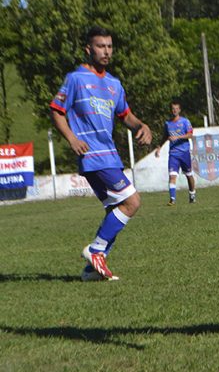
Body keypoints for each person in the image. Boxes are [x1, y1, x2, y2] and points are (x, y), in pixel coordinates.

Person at [50, 25, 152, 281]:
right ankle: (95, 250)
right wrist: (72, 138)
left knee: (114, 212)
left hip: (110, 155)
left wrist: (141, 125)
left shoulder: (114, 84)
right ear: (88, 49)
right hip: (92, 156)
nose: (106, 51)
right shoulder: (75, 79)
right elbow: (56, 110)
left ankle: (90, 271)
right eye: (100, 46)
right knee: (132, 202)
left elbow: (125, 115)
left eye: (109, 46)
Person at [154, 100, 196, 206]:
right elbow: (165, 136)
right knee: (172, 176)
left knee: (189, 175)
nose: (174, 111)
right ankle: (172, 199)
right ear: (170, 110)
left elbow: (190, 134)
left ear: (180, 110)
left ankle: (192, 194)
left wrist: (178, 137)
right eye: (173, 109)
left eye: (176, 109)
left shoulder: (185, 122)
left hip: (184, 152)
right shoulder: (168, 124)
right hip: (173, 154)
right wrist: (159, 147)